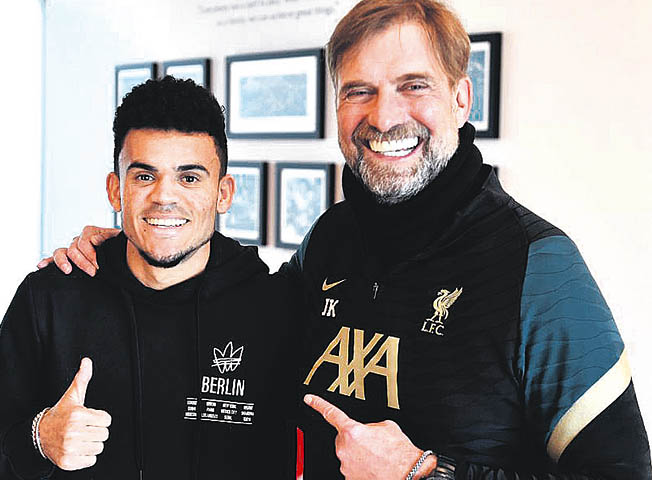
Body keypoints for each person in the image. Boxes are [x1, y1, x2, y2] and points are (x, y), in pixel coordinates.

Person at [43, 1, 652, 479]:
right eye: (359, 90)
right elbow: (231, 306)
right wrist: (131, 245)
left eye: (414, 85)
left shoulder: (540, 266)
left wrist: (425, 473)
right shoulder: (333, 239)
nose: (384, 117)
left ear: (462, 99)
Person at [0, 76, 299, 479]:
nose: (164, 197)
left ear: (223, 193)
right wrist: (39, 440)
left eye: (189, 178)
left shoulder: (275, 307)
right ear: (115, 190)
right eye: (144, 176)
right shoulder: (50, 297)